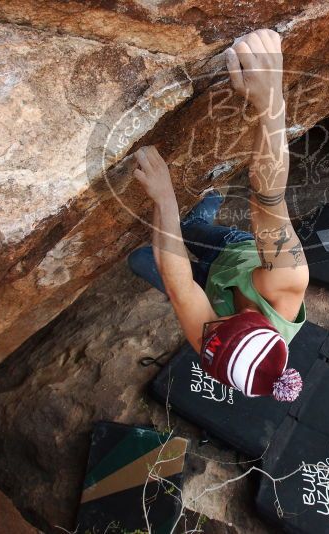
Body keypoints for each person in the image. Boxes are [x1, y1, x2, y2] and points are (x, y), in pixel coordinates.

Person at [128, 29, 309, 402]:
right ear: (251, 321)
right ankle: (204, 211)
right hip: (238, 254)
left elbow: (180, 289)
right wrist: (270, 99)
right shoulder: (286, 283)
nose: (204, 331)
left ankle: (192, 222)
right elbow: (267, 197)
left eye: (206, 338)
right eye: (215, 329)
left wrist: (164, 198)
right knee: (193, 228)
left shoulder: (217, 349)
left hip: (207, 284)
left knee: (140, 258)